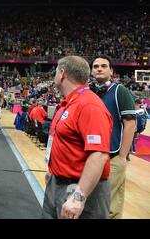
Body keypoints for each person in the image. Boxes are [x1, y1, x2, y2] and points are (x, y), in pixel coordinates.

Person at [43, 56, 112, 219]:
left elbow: (99, 154)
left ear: (62, 74)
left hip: (80, 188)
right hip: (57, 182)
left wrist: (79, 196)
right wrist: (52, 171)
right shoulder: (69, 103)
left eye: (55, 73)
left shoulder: (89, 105)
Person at [90, 55, 136, 219]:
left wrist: (122, 156)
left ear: (111, 71)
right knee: (88, 201)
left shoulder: (120, 91)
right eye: (96, 66)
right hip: (89, 156)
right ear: (91, 71)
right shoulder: (87, 91)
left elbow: (130, 124)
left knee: (110, 205)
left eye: (103, 66)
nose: (99, 69)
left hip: (113, 155)